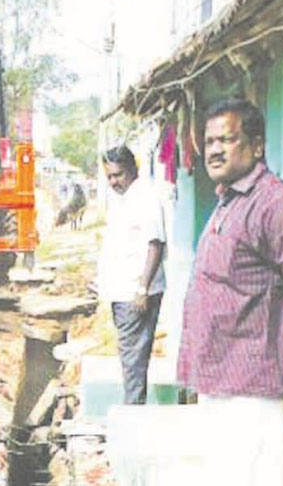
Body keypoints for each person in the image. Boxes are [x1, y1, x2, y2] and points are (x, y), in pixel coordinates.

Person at [176, 99, 283, 485]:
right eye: (209, 141)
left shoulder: (275, 203)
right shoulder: (230, 199)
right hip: (220, 377)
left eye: (227, 139)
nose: (214, 150)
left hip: (252, 383)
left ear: (257, 145)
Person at [97, 145, 167, 404]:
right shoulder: (124, 198)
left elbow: (155, 243)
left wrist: (142, 288)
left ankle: (133, 411)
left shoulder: (145, 197)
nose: (114, 181)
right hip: (123, 292)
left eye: (118, 175)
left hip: (135, 294)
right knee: (131, 355)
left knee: (133, 356)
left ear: (132, 170)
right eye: (110, 177)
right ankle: (134, 406)